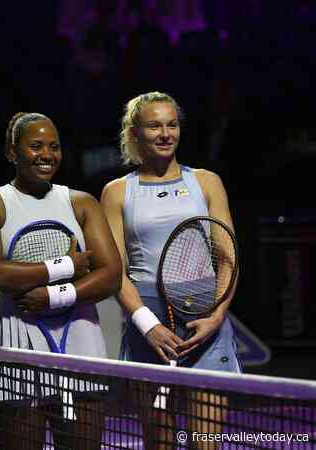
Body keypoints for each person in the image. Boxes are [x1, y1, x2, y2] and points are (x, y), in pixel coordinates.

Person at [0, 112, 122, 450]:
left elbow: (110, 277)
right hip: (14, 337)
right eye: (35, 146)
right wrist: (66, 265)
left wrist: (53, 297)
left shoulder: (81, 203)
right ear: (12, 152)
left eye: (54, 146)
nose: (46, 154)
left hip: (80, 336)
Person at [100, 91, 240, 450]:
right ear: (135, 134)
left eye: (172, 124)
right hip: (149, 321)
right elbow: (116, 271)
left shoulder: (207, 182)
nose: (165, 133)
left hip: (207, 317)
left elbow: (227, 257)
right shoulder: (116, 192)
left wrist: (217, 317)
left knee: (206, 442)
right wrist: (150, 326)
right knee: (158, 443)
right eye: (154, 126)